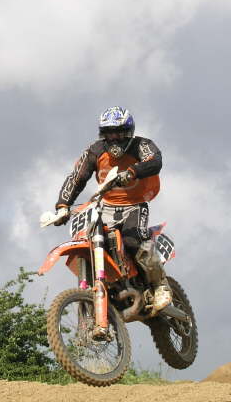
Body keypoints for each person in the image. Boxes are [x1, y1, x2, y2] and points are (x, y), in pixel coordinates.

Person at [53, 106, 172, 312]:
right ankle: (106, 287)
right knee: (90, 240)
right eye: (109, 133)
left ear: (129, 132)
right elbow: (77, 177)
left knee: (133, 240)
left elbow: (156, 161)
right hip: (106, 206)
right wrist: (63, 206)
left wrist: (133, 171)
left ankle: (160, 286)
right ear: (103, 134)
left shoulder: (141, 145)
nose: (114, 138)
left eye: (119, 133)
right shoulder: (96, 150)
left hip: (135, 204)